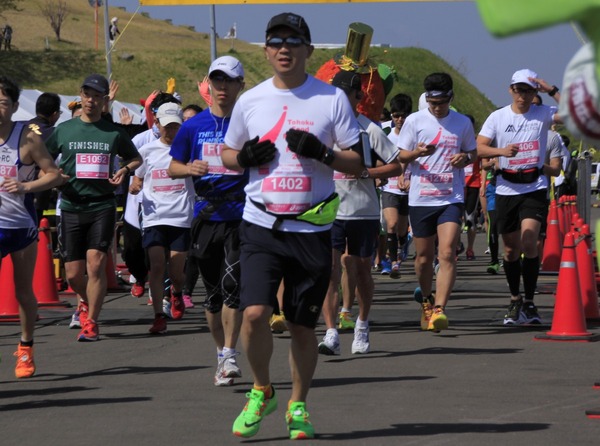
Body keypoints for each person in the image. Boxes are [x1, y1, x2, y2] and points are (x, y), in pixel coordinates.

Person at [220, 12, 364, 440]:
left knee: (303, 325)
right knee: (255, 313)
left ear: (307, 49)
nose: (284, 48)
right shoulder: (251, 100)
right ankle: (262, 390)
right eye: (276, 41)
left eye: (293, 41)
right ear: (266, 50)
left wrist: (324, 153)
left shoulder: (331, 99)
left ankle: (298, 404)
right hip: (261, 223)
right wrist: (243, 159)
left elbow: (357, 163)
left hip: (311, 228)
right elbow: (229, 153)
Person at [168, 55, 247, 386]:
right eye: (217, 80)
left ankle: (230, 353)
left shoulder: (249, 124)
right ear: (208, 84)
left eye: (229, 81)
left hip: (241, 213)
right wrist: (190, 169)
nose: (222, 87)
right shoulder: (192, 126)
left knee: (233, 287)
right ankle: (220, 353)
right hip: (205, 214)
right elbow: (173, 167)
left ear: (240, 86)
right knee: (213, 295)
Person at [46, 73, 142, 342]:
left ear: (103, 100)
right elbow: (44, 157)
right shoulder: (64, 130)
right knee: (74, 273)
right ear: (81, 96)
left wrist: (124, 170)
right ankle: (87, 301)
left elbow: (135, 158)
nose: (90, 100)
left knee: (96, 264)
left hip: (102, 204)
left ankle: (92, 321)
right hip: (71, 205)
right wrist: (54, 174)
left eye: (97, 96)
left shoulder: (114, 133)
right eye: (87, 95)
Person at [318, 70, 402, 356]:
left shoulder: (370, 129)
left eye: (345, 95)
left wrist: (366, 171)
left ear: (358, 97)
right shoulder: (322, 128)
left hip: (362, 212)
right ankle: (330, 332)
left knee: (362, 269)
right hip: (328, 210)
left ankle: (362, 324)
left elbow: (396, 165)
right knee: (329, 271)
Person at [476, 68, 562, 325]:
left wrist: (553, 90)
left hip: (533, 187)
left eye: (528, 90)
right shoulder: (497, 117)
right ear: (510, 90)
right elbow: (479, 147)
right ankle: (515, 300)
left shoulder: (544, 114)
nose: (523, 95)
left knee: (529, 242)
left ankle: (530, 301)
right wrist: (501, 151)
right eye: (518, 89)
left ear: (535, 92)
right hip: (505, 188)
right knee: (512, 249)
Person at [397, 72, 477, 332]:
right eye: (432, 103)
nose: (437, 108)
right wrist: (417, 153)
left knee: (446, 252)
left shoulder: (462, 122)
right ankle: (427, 301)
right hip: (421, 198)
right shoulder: (415, 121)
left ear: (451, 98)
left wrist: (464, 158)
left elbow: (472, 152)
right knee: (422, 258)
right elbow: (400, 155)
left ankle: (440, 309)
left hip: (450, 198)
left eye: (441, 102)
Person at [0, 75, 64, 378]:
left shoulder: (27, 138)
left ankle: (26, 349)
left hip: (20, 227)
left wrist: (26, 187)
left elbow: (55, 175)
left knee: (24, 290)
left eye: (3, 103)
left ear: (14, 107)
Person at [129, 102, 193, 334]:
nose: (170, 130)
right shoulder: (147, 151)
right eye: (166, 125)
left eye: (175, 126)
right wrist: (135, 186)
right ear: (157, 124)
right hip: (155, 216)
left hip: (180, 217)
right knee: (156, 266)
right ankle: (158, 315)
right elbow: (138, 178)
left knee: (176, 270)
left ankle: (176, 292)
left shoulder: (188, 150)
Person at [382, 93, 413, 278]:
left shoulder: (415, 134)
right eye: (395, 116)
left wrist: (408, 178)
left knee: (402, 228)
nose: (399, 119)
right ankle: (394, 262)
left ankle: (403, 244)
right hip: (389, 187)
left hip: (408, 189)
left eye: (403, 115)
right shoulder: (386, 134)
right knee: (391, 224)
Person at [28, 92, 62, 223]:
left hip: (14, 188)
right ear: (55, 114)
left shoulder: (19, 127)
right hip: (39, 189)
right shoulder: (54, 133)